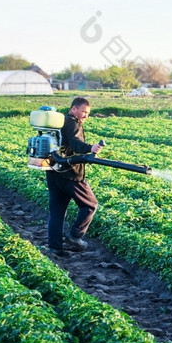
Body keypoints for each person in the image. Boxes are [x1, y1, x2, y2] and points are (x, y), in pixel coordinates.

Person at [46, 97, 102, 255]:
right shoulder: (72, 123)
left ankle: (54, 248)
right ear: (74, 109)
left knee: (57, 211)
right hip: (70, 175)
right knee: (90, 205)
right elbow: (76, 143)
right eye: (83, 112)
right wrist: (91, 147)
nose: (85, 116)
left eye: (88, 113)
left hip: (54, 173)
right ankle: (75, 236)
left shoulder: (59, 122)